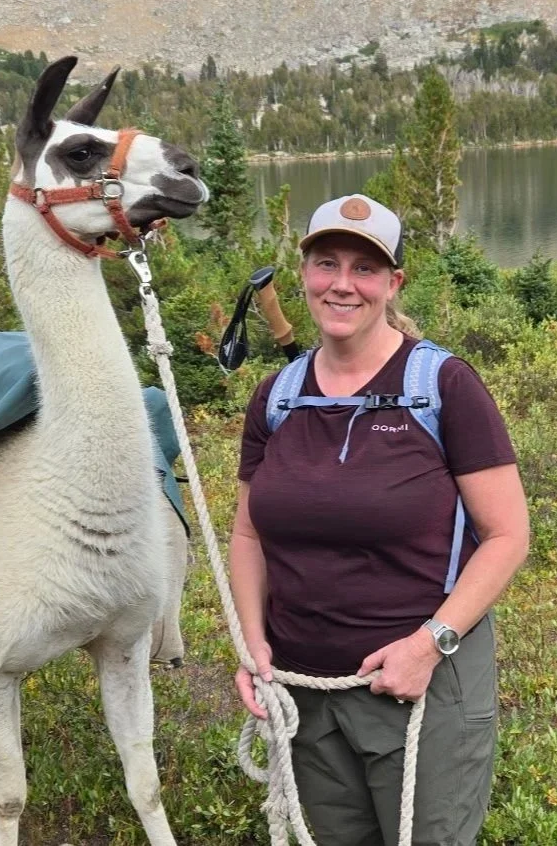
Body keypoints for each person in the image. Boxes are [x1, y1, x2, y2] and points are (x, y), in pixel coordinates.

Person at [229, 193, 530, 846]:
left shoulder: (444, 387)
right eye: (326, 263)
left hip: (423, 693)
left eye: (365, 269)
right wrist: (252, 643)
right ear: (304, 272)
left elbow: (507, 536)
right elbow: (249, 532)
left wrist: (431, 644)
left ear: (393, 283)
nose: (343, 284)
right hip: (305, 695)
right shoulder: (276, 400)